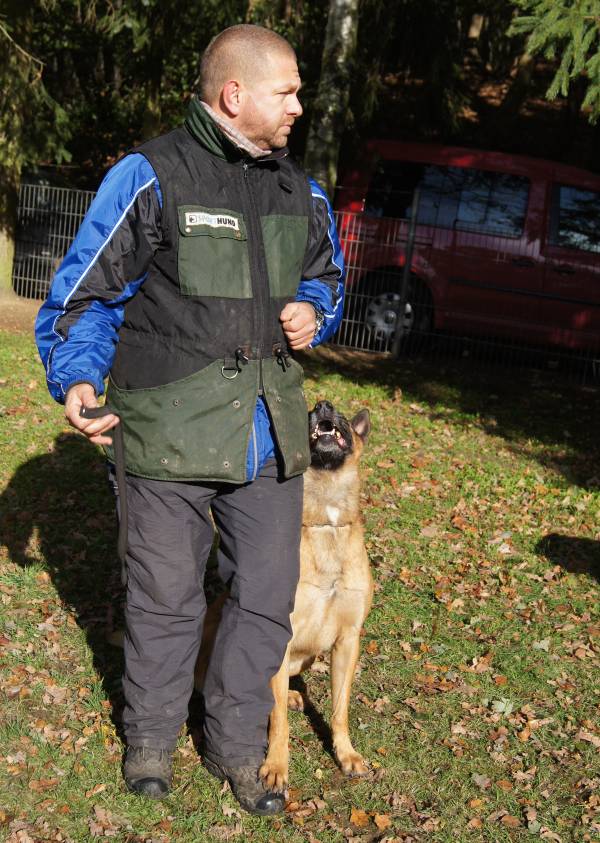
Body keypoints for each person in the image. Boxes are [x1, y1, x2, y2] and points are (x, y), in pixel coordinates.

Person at [35, 24, 344, 815]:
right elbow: (86, 294)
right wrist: (77, 377)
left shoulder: (301, 191)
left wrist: (315, 308)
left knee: (265, 594)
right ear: (235, 95)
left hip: (269, 433)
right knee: (165, 595)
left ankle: (236, 746)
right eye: (287, 92)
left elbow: (329, 277)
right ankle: (149, 738)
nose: (299, 106)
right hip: (164, 428)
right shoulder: (150, 175)